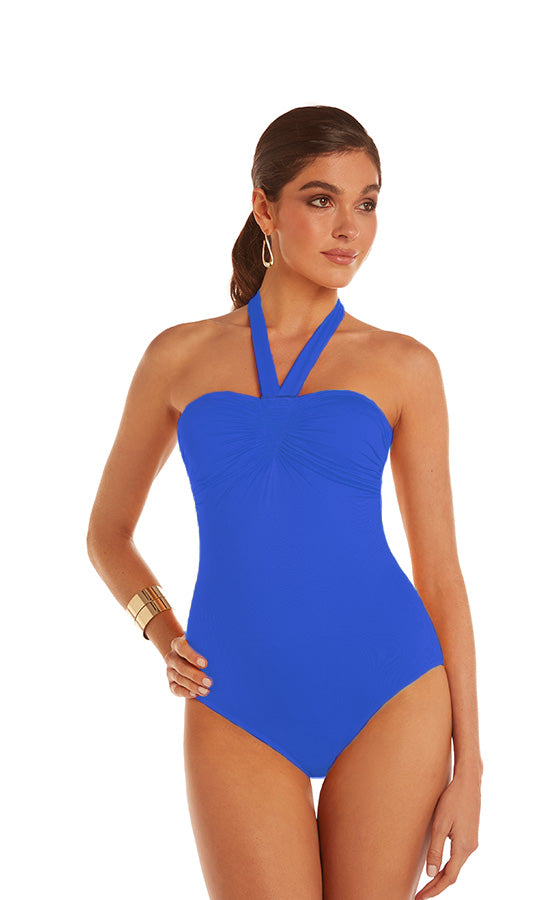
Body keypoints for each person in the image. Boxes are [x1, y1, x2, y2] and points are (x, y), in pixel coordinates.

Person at [87, 105, 482, 900]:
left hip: (392, 688)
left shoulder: (404, 365)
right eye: (321, 199)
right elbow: (108, 532)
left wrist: (469, 767)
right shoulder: (178, 355)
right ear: (264, 208)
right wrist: (162, 633)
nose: (350, 228)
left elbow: (440, 575)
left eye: (367, 203)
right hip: (236, 696)